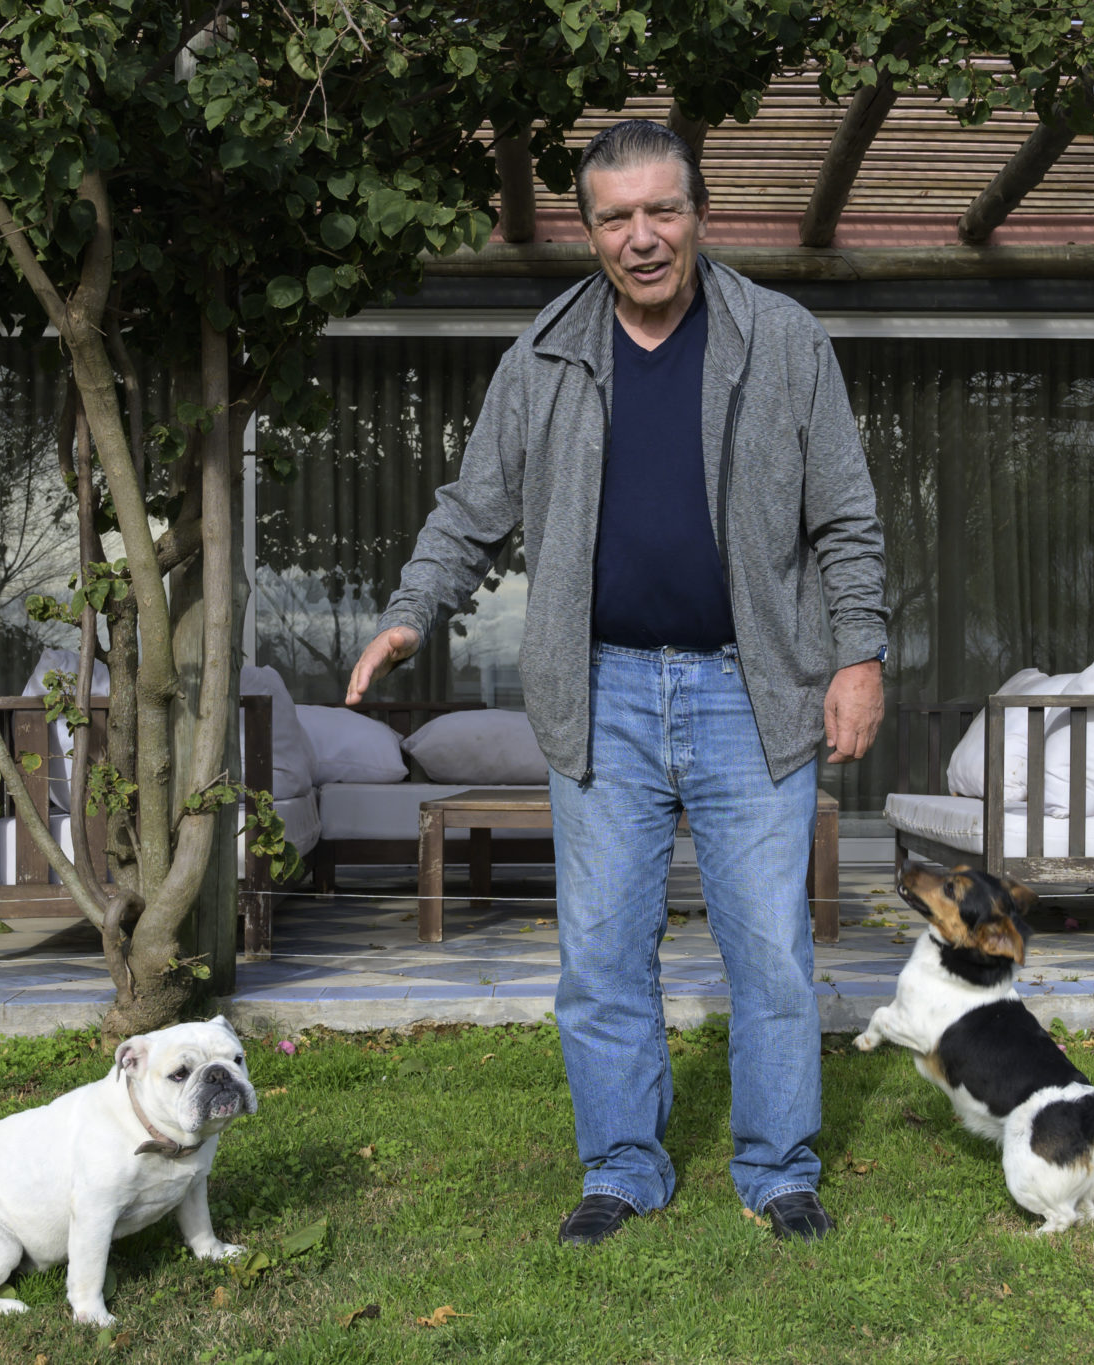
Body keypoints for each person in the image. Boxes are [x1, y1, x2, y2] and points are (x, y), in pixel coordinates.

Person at [347, 119, 887, 1244]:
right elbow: (471, 508)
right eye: (614, 218)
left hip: (755, 692)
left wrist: (857, 655)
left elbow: (843, 518)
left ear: (697, 213)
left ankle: (777, 1167)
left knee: (772, 950)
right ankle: (623, 1167)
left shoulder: (780, 341)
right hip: (601, 697)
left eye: (661, 211)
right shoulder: (541, 357)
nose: (641, 238)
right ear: (589, 232)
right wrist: (409, 615)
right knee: (600, 953)